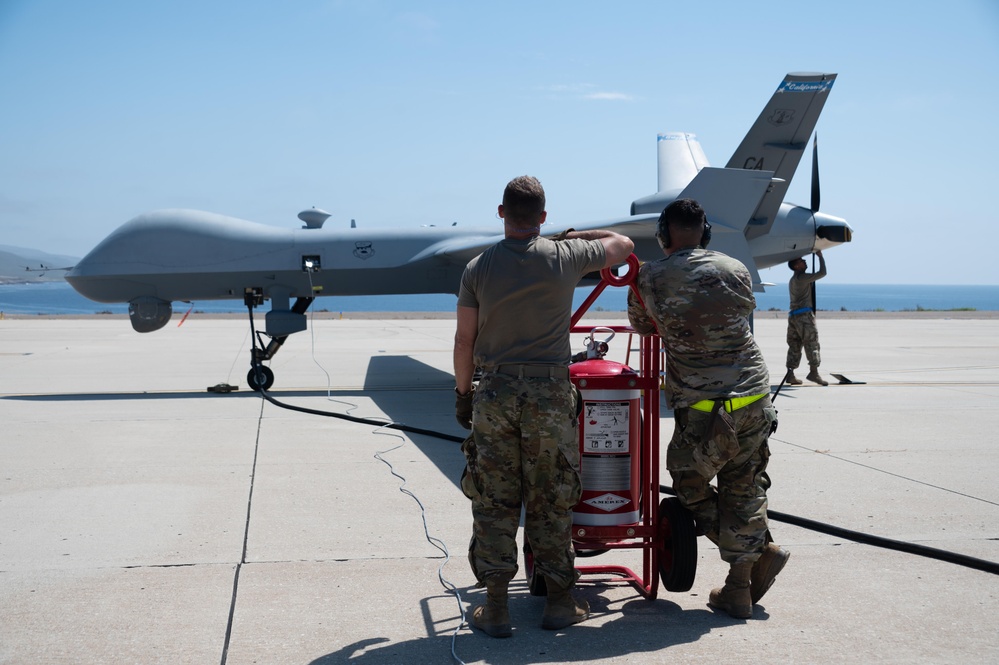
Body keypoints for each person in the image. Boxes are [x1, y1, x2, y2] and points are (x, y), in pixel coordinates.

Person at [453, 175, 633, 638]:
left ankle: (495, 607)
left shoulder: (477, 268)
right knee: (551, 497)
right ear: (543, 217)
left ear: (500, 213)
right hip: (550, 396)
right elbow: (623, 243)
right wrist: (576, 237)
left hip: (494, 393)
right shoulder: (565, 255)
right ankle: (559, 601)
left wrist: (463, 395)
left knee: (494, 500)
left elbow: (464, 341)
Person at [626, 198, 789, 619]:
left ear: (663, 235)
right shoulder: (735, 269)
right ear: (707, 232)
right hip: (753, 395)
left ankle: (757, 553)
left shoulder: (651, 277)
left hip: (702, 405)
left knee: (689, 483)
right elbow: (742, 310)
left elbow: (643, 326)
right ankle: (738, 588)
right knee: (746, 486)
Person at [786, 251, 828, 386]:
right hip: (804, 316)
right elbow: (822, 273)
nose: (804, 262)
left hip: (793, 316)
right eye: (801, 261)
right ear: (796, 266)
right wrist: (820, 257)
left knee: (795, 345)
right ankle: (814, 372)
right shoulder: (802, 278)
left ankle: (790, 373)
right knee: (812, 343)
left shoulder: (793, 280)